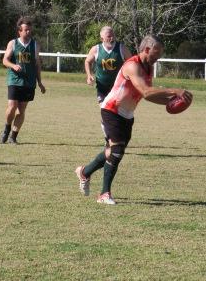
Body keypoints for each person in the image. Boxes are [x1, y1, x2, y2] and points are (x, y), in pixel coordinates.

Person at [75, 34, 192, 205]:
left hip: (127, 115)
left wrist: (171, 103)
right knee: (117, 151)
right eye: (157, 52)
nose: (159, 57)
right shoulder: (132, 65)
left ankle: (85, 172)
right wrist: (175, 91)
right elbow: (146, 91)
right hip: (111, 110)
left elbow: (147, 95)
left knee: (110, 151)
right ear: (146, 49)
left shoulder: (148, 68)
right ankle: (104, 194)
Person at [0, 17, 46, 144]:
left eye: (29, 30)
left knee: (21, 110)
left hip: (29, 82)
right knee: (12, 106)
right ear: (19, 31)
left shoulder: (35, 45)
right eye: (25, 30)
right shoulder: (13, 43)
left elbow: (37, 65)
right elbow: (5, 60)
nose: (28, 32)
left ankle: (13, 136)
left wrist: (40, 82)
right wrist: (13, 65)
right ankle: (7, 128)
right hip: (14, 80)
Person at [84, 26, 131, 103]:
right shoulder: (96, 49)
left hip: (118, 87)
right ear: (102, 39)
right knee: (104, 109)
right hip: (102, 87)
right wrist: (89, 75)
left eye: (113, 35)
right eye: (109, 36)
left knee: (115, 111)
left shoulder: (122, 48)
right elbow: (87, 62)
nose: (112, 38)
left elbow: (131, 63)